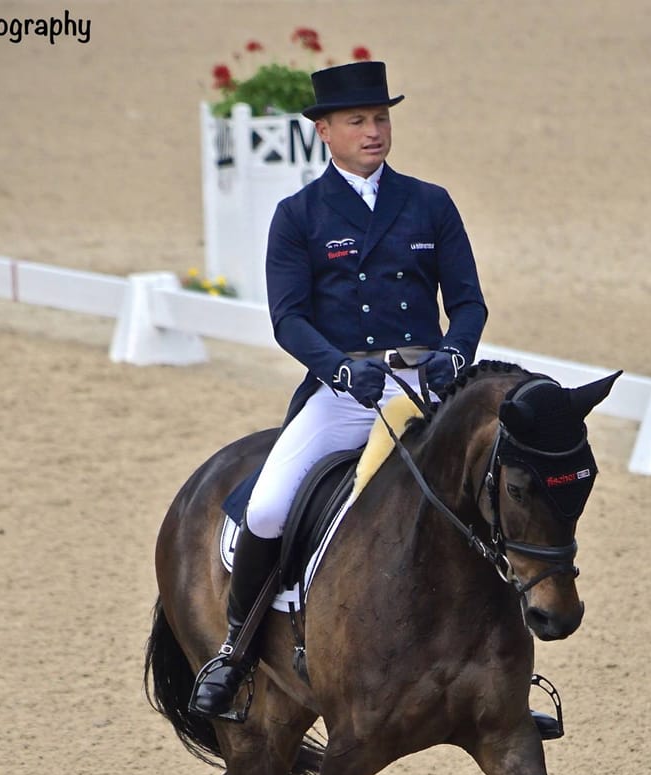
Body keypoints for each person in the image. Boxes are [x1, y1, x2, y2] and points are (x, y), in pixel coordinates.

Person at [190, 59, 488, 717]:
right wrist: (340, 369)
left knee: (491, 491)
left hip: (428, 386)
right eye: (358, 120)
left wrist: (455, 353)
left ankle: (504, 661)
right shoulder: (298, 215)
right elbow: (288, 317)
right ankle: (237, 650)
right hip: (347, 391)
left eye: (381, 118)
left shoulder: (430, 203)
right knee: (266, 510)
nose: (374, 131)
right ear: (324, 130)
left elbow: (468, 302)